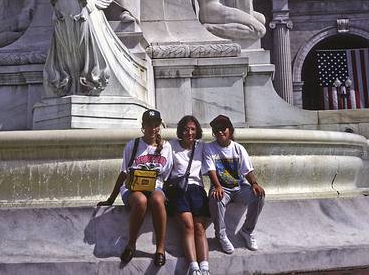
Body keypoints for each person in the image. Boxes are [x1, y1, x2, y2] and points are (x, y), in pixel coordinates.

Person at [42, 0, 146, 100]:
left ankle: (85, 82)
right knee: (65, 49)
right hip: (61, 14)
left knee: (81, 46)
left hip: (79, 12)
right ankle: (68, 84)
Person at [98, 109, 172, 266]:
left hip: (155, 186)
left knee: (158, 200)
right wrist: (111, 199)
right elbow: (124, 172)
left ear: (160, 126)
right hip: (132, 187)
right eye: (149, 125)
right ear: (143, 126)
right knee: (140, 201)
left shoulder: (166, 147)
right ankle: (131, 244)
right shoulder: (133, 145)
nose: (152, 128)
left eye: (155, 125)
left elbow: (166, 176)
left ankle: (160, 248)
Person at [202, 115, 265, 254]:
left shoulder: (239, 148)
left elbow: (247, 171)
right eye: (216, 129)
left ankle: (247, 231)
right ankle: (221, 235)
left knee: (259, 195)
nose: (220, 132)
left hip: (239, 187)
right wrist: (217, 186)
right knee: (215, 198)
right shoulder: (209, 148)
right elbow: (211, 170)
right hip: (221, 187)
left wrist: (254, 184)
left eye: (223, 128)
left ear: (229, 130)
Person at [166, 115, 210, 275]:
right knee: (188, 226)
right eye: (185, 129)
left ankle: (205, 268)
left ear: (197, 130)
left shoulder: (203, 147)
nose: (189, 132)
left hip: (197, 189)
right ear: (180, 131)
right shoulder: (171, 146)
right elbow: (164, 166)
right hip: (179, 190)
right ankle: (194, 267)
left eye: (192, 129)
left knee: (199, 228)